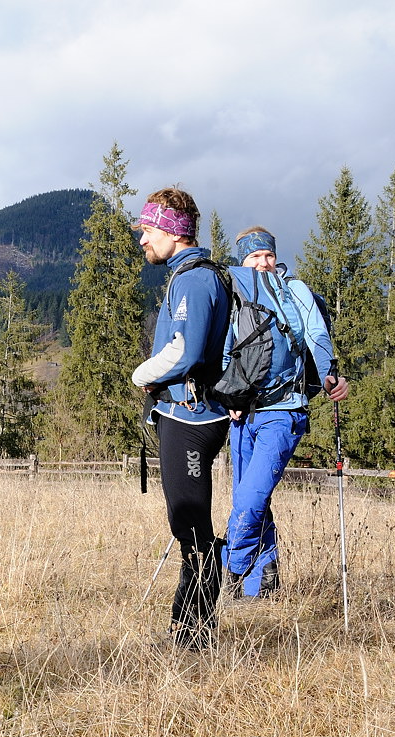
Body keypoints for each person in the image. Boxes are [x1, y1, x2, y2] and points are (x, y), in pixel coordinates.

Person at [129, 187, 231, 650]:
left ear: (172, 231)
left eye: (148, 231)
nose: (143, 241)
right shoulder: (189, 275)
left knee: (191, 526)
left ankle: (195, 634)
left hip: (191, 417)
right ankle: (187, 626)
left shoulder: (193, 279)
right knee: (189, 526)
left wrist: (142, 374)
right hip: (187, 412)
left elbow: (185, 351)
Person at [224, 226, 348, 600]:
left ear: (276, 258)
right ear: (243, 262)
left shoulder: (295, 291)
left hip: (284, 411)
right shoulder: (235, 293)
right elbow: (226, 348)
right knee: (247, 497)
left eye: (268, 256)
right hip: (242, 414)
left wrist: (328, 374)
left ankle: (228, 573)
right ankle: (263, 583)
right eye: (255, 258)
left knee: (250, 500)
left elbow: (317, 335)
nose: (263, 263)